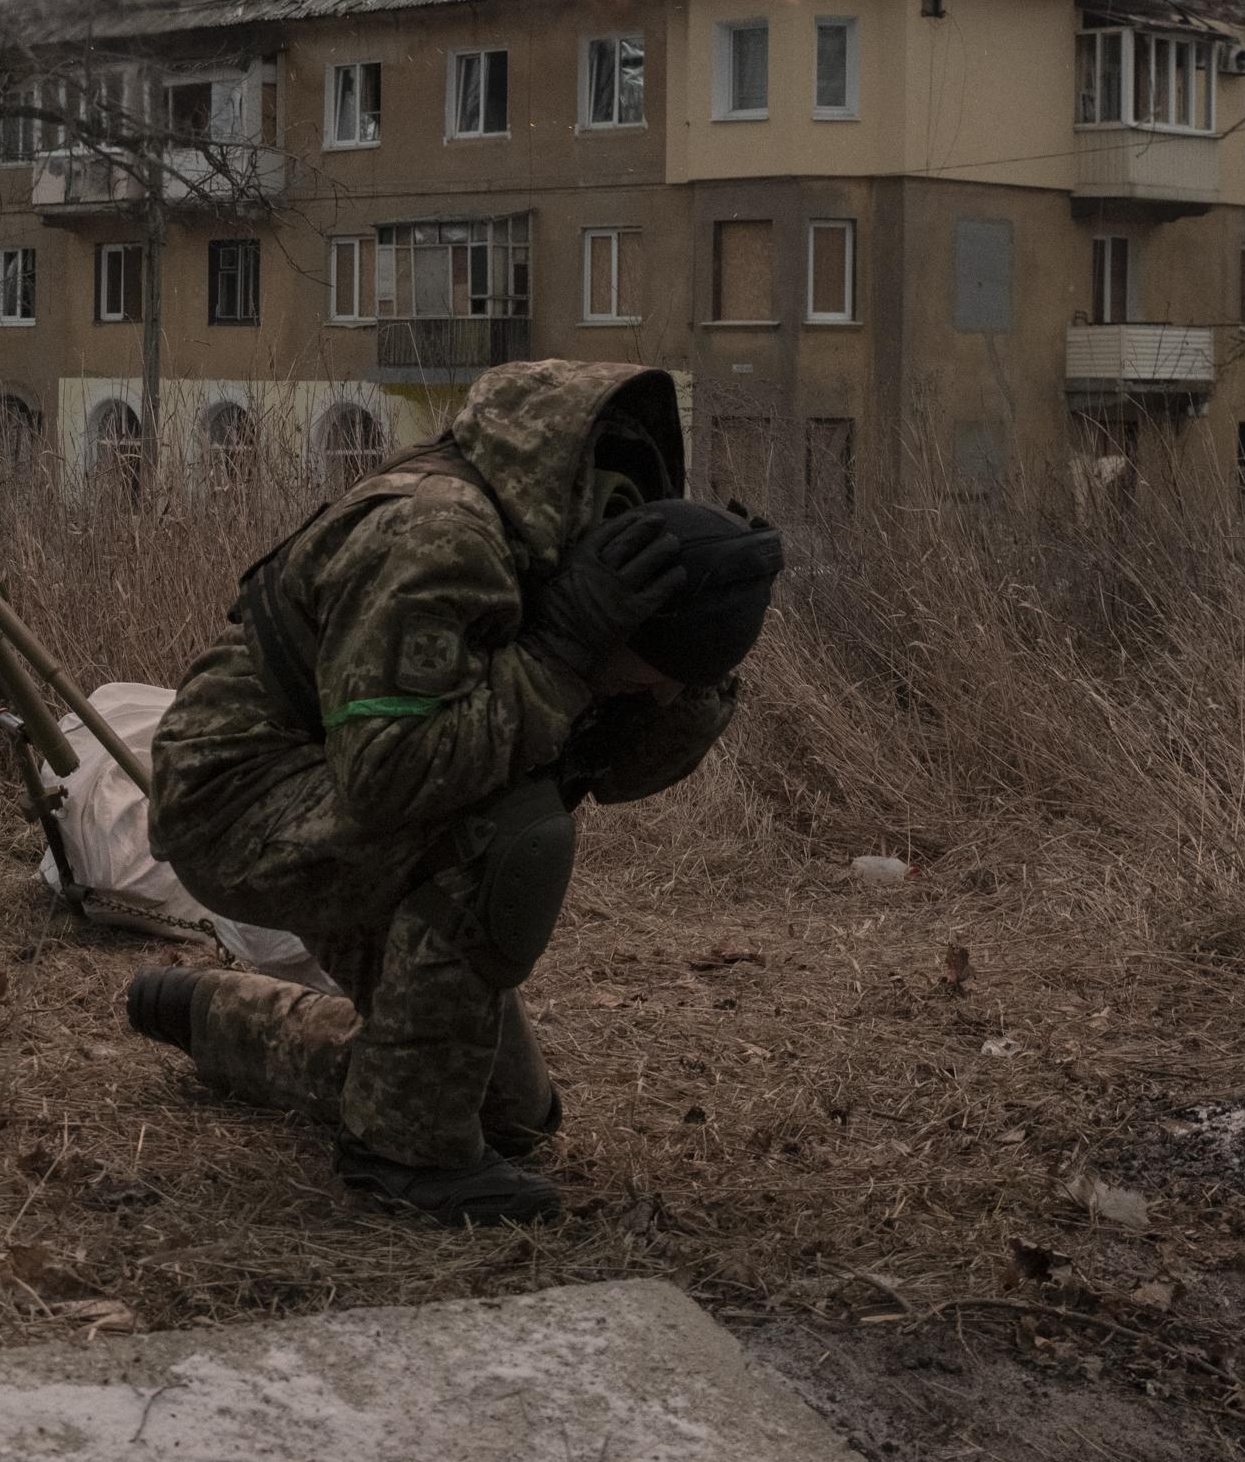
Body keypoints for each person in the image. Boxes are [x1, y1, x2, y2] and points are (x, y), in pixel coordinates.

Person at [125, 361, 783, 1224]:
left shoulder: (566, 547)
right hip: (237, 797)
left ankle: (210, 1014)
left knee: (513, 1120)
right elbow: (393, 772)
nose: (648, 697)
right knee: (511, 833)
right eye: (648, 679)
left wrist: (680, 684)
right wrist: (560, 655)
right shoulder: (440, 536)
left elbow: (605, 774)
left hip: (338, 794)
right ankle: (402, 1158)